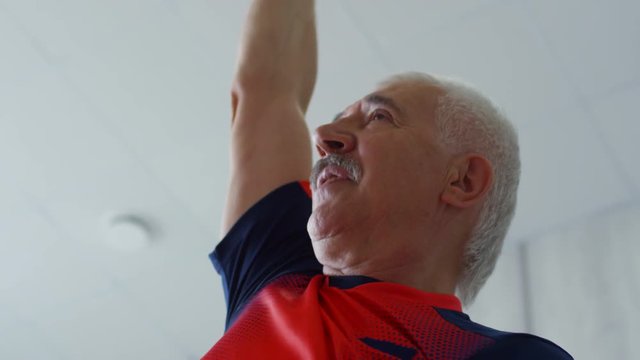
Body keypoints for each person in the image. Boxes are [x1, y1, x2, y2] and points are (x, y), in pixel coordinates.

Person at [202, 0, 573, 358]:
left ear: (462, 181)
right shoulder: (274, 272)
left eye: (379, 117)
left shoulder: (507, 356)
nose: (324, 135)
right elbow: (266, 91)